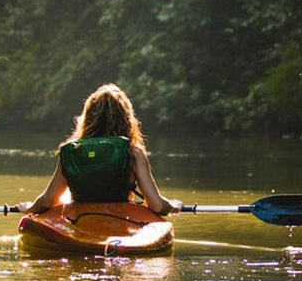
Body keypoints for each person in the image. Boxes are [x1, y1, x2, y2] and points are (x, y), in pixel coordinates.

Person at [17, 83, 183, 216]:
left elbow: (48, 201)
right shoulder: (133, 153)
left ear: (88, 117)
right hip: (121, 220)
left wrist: (30, 208)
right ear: (126, 119)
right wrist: (174, 205)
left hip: (79, 220)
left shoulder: (72, 152)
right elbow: (157, 206)